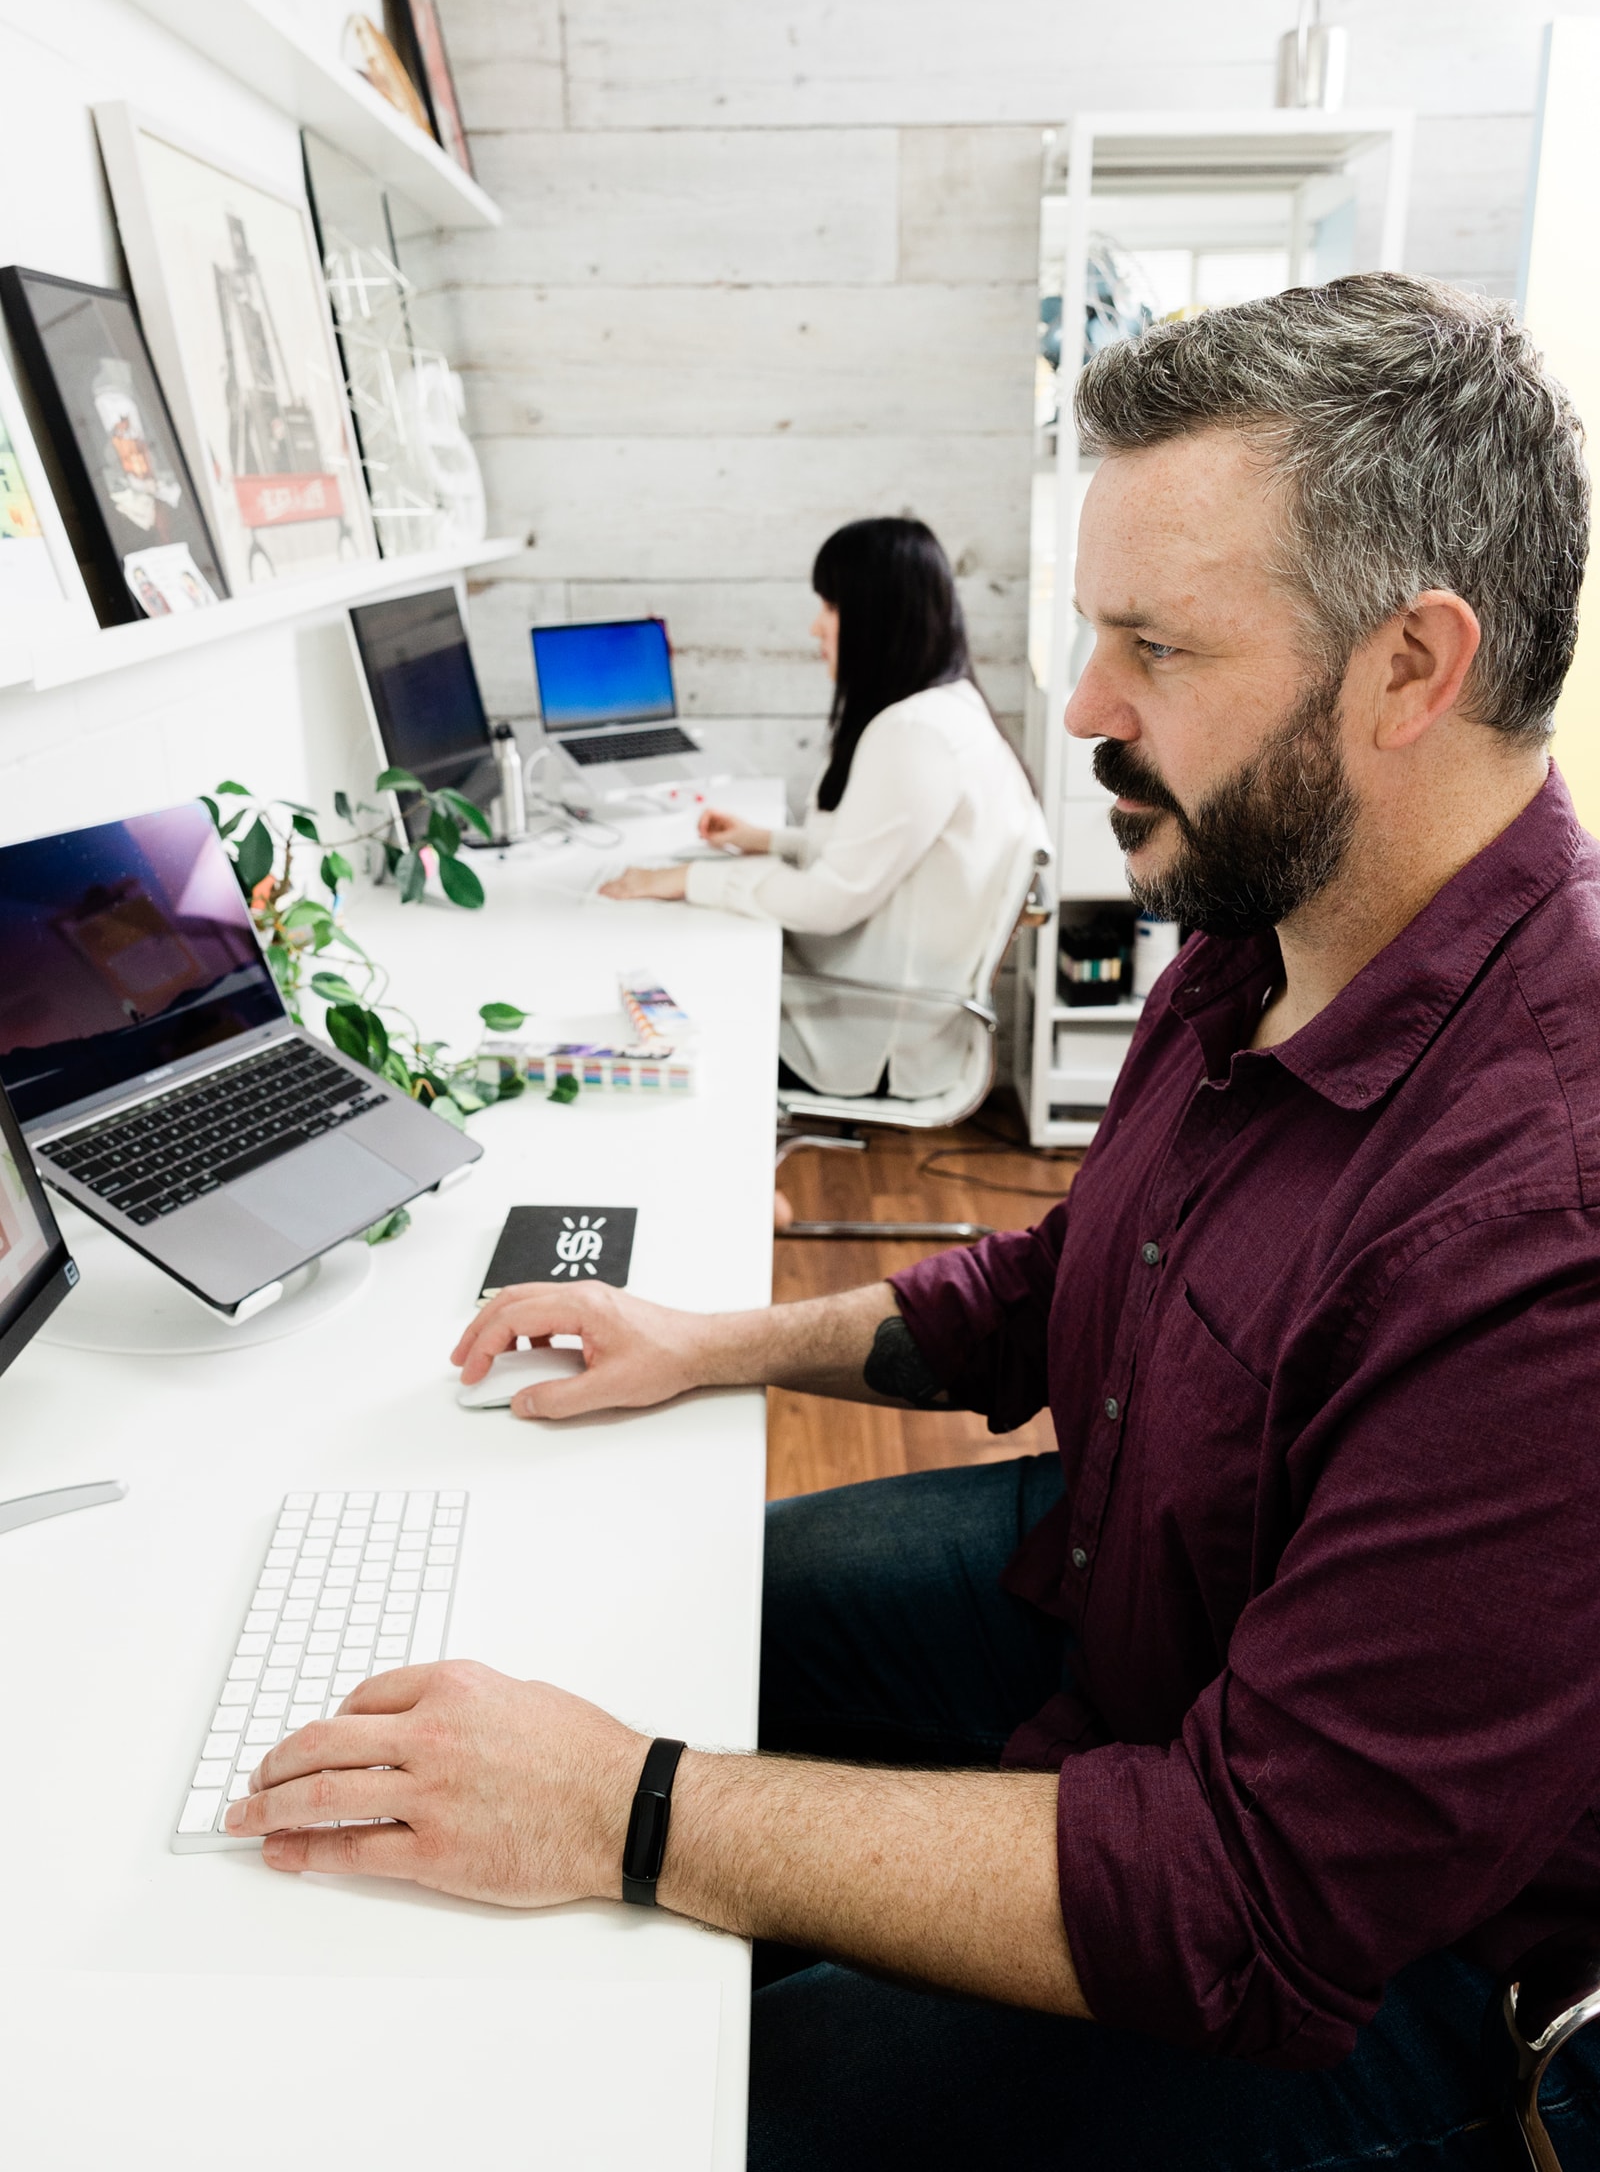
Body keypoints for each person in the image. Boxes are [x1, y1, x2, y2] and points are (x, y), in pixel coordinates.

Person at [225, 275, 1600, 2172]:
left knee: (720, 2095)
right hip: (1141, 1604)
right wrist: (712, 1343)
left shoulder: (1553, 1221)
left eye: (1154, 644)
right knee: (672, 1609)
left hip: (1386, 1978)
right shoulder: (1275, 920)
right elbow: (1064, 1283)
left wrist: (625, 1813)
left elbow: (1252, 1904)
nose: (1087, 705)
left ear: (1408, 671)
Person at [599, 517, 1045, 1102]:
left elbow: (830, 901)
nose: (815, 627)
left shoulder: (915, 733)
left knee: (672, 978)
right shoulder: (948, 709)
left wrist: (685, 878)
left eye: (830, 606)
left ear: (874, 616)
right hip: (887, 1010)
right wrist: (769, 841)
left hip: (861, 1033)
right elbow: (886, 856)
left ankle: (752, 1189)